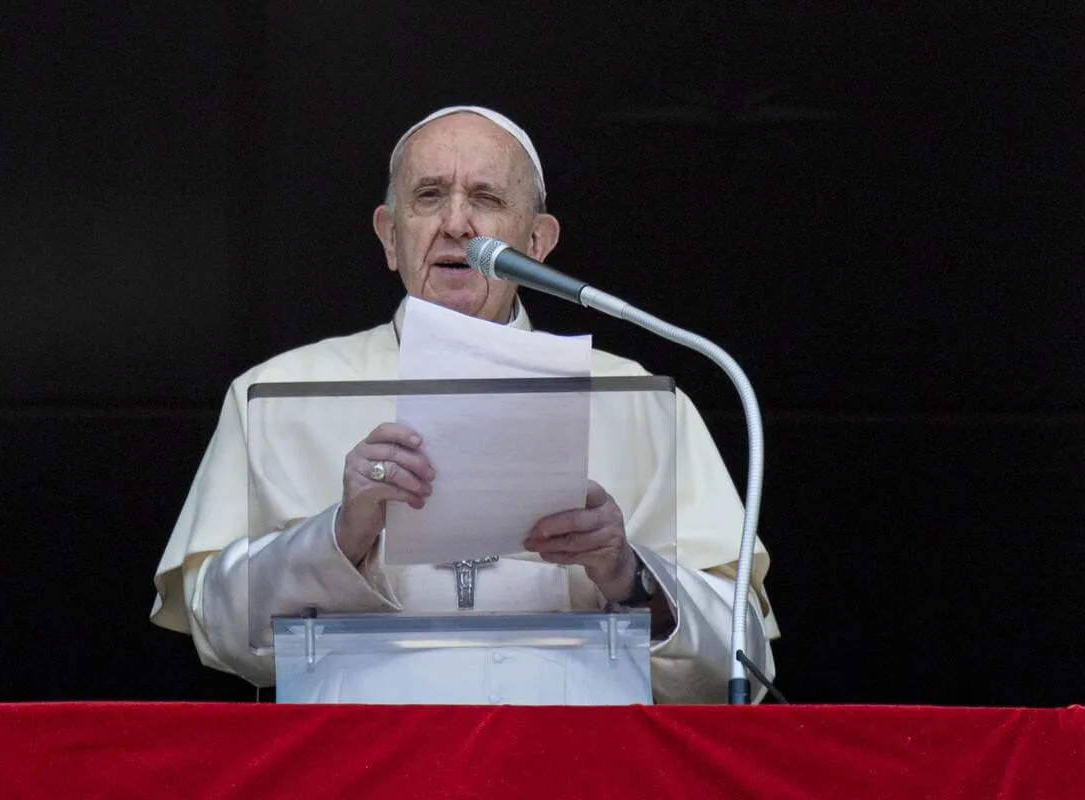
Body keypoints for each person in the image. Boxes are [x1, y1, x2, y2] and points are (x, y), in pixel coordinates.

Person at [151, 105, 779, 703]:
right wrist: (341, 536)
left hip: (578, 767)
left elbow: (741, 661)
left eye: (487, 198)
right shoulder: (278, 394)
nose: (457, 224)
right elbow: (216, 629)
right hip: (358, 768)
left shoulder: (641, 402)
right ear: (389, 236)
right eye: (429, 197)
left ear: (537, 240)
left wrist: (625, 571)